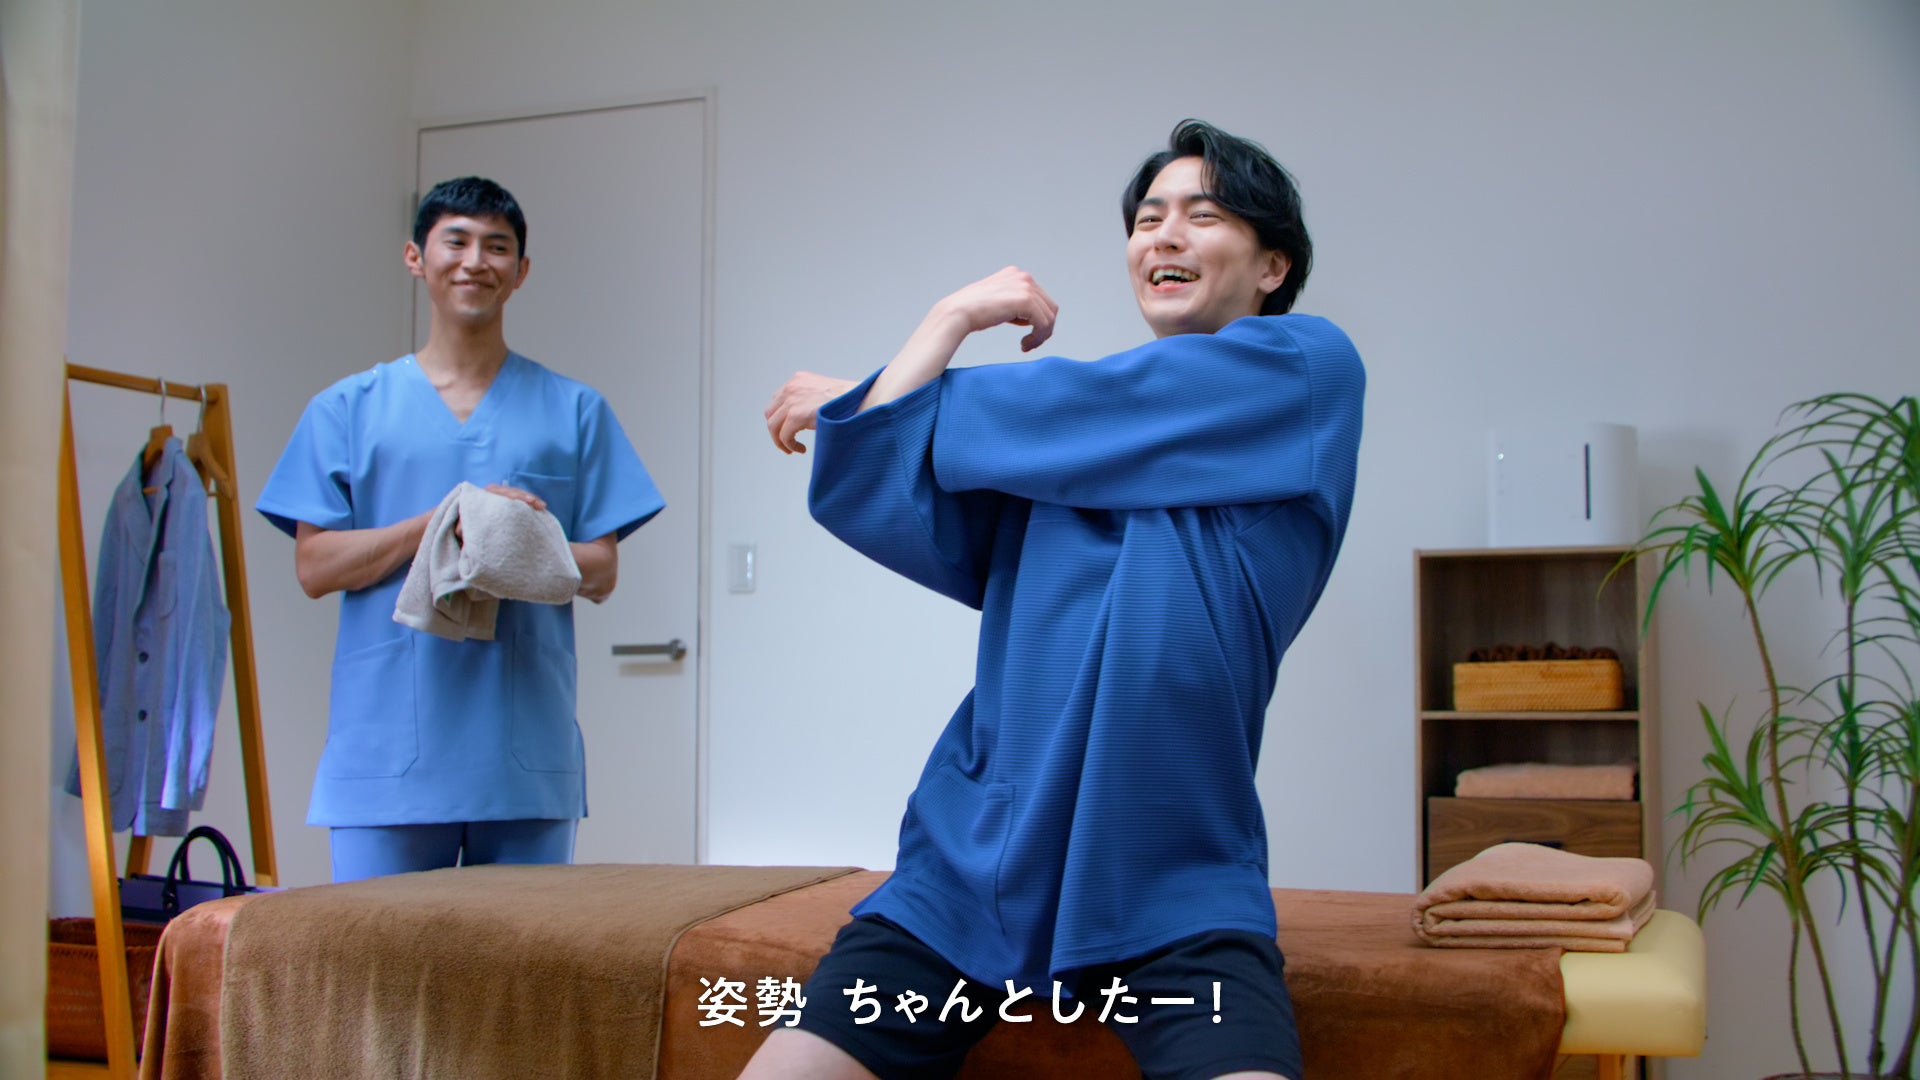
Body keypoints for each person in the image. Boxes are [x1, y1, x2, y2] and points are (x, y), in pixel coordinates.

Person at [753, 120, 1365, 1080]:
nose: (1163, 235)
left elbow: (1090, 405)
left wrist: (869, 389)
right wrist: (950, 316)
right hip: (970, 865)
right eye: (1147, 219)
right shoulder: (1043, 456)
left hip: (1174, 876)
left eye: (1202, 216)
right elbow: (875, 481)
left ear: (1273, 266)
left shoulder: (1307, 372)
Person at [257, 176, 663, 883]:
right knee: (377, 956)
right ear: (416, 258)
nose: (476, 260)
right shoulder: (347, 409)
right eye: (457, 241)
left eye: (497, 247)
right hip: (387, 757)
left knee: (522, 957)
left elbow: (600, 572)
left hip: (523, 759)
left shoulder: (573, 411)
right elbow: (315, 567)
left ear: (521, 271)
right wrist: (446, 522)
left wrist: (517, 538)